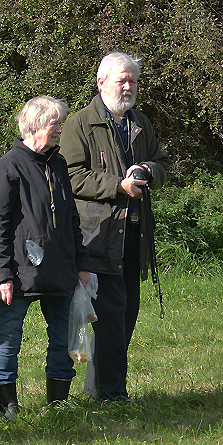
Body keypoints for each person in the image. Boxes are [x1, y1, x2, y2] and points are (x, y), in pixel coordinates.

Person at [58, 52, 168, 402]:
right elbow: (71, 177)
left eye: (133, 80)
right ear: (100, 82)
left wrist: (148, 171)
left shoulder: (140, 123)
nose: (128, 86)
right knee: (109, 316)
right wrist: (117, 186)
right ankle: (112, 394)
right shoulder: (79, 124)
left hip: (134, 236)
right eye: (121, 79)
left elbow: (162, 163)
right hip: (97, 237)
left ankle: (99, 389)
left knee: (125, 316)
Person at [0, 95, 92, 418]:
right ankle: (8, 407)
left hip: (60, 269)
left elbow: (71, 217)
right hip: (20, 272)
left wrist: (82, 264)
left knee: (63, 337)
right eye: (55, 123)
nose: (60, 128)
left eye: (60, 122)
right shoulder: (10, 165)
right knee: (7, 338)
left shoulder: (58, 163)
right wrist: (2, 274)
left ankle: (58, 406)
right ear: (34, 127)